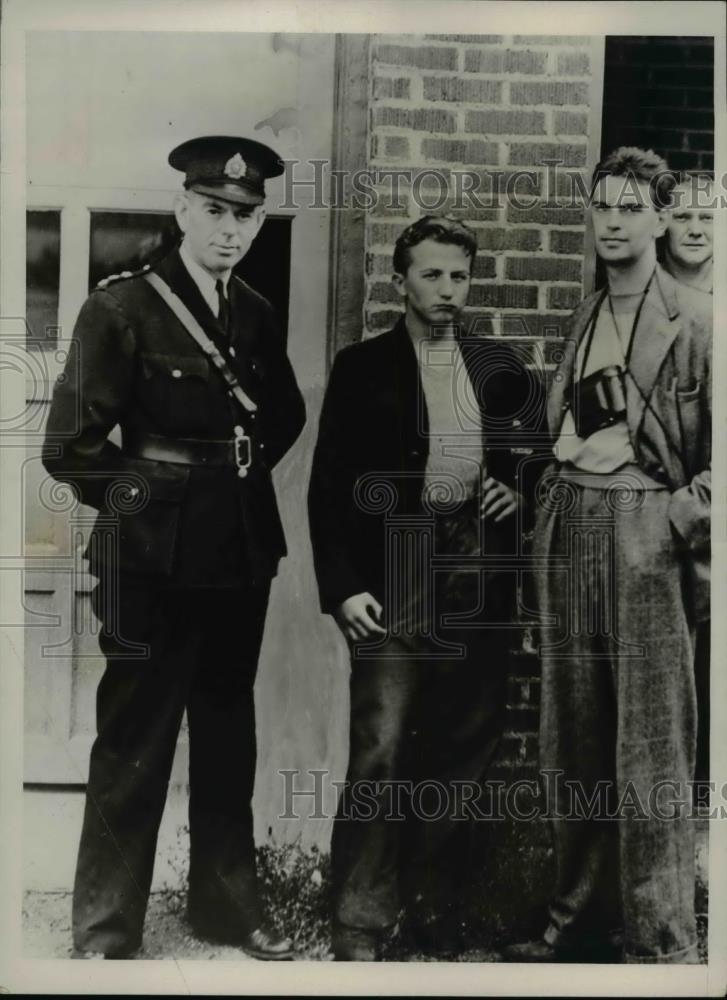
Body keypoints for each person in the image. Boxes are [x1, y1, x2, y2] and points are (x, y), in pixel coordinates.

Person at [42, 135, 306, 960]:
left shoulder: (255, 312)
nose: (229, 229)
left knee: (229, 734)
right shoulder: (121, 306)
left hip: (237, 552)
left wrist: (229, 481)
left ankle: (227, 909)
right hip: (148, 559)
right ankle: (107, 925)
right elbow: (71, 448)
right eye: (215, 212)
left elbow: (283, 415)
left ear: (257, 223)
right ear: (184, 209)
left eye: (245, 216)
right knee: (134, 737)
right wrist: (155, 499)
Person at [308, 215, 543, 960]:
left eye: (459, 275)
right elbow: (326, 488)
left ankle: (437, 914)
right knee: (380, 744)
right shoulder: (362, 367)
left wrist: (515, 490)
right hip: (395, 572)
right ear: (400, 281)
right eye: (433, 274)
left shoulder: (499, 367)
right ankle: (360, 923)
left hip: (475, 572)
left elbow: (534, 464)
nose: (448, 289)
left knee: (462, 744)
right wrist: (342, 587)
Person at [504, 148, 711, 964]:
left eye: (631, 208)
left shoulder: (698, 321)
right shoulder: (583, 316)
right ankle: (576, 922)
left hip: (644, 528)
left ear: (661, 220)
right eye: (602, 208)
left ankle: (660, 941)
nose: (614, 223)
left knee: (652, 739)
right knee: (573, 731)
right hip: (572, 521)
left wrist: (675, 524)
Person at [663, 174, 713, 792]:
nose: (697, 229)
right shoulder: (644, 306)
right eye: (683, 217)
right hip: (665, 526)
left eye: (710, 217)